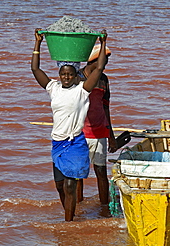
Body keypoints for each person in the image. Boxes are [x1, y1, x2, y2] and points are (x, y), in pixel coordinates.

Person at [31, 28, 108, 221]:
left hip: (75, 143)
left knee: (70, 185)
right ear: (59, 75)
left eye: (69, 74)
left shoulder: (82, 90)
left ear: (75, 76)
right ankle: (71, 211)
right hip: (57, 143)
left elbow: (98, 69)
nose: (66, 77)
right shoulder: (53, 88)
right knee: (59, 186)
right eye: (63, 74)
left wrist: (103, 42)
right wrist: (38, 43)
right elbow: (35, 69)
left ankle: (68, 223)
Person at [75, 44, 117, 217]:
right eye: (103, 60)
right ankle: (78, 207)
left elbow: (106, 108)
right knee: (78, 174)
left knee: (101, 171)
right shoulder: (76, 77)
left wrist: (111, 135)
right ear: (94, 61)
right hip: (79, 133)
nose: (105, 64)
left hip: (99, 132)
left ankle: (104, 208)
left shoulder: (104, 80)